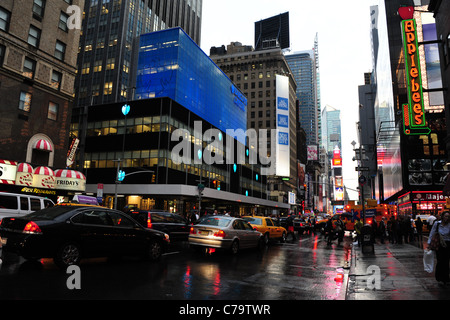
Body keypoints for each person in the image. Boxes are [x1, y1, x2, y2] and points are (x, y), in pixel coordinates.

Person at [428, 211, 450, 284]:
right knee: (440, 260)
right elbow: (432, 233)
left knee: (446, 261)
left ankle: (446, 278)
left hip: (447, 244)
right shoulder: (437, 224)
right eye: (446, 216)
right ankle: (439, 277)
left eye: (448, 216)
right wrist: (429, 244)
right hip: (439, 244)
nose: (447, 218)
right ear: (442, 216)